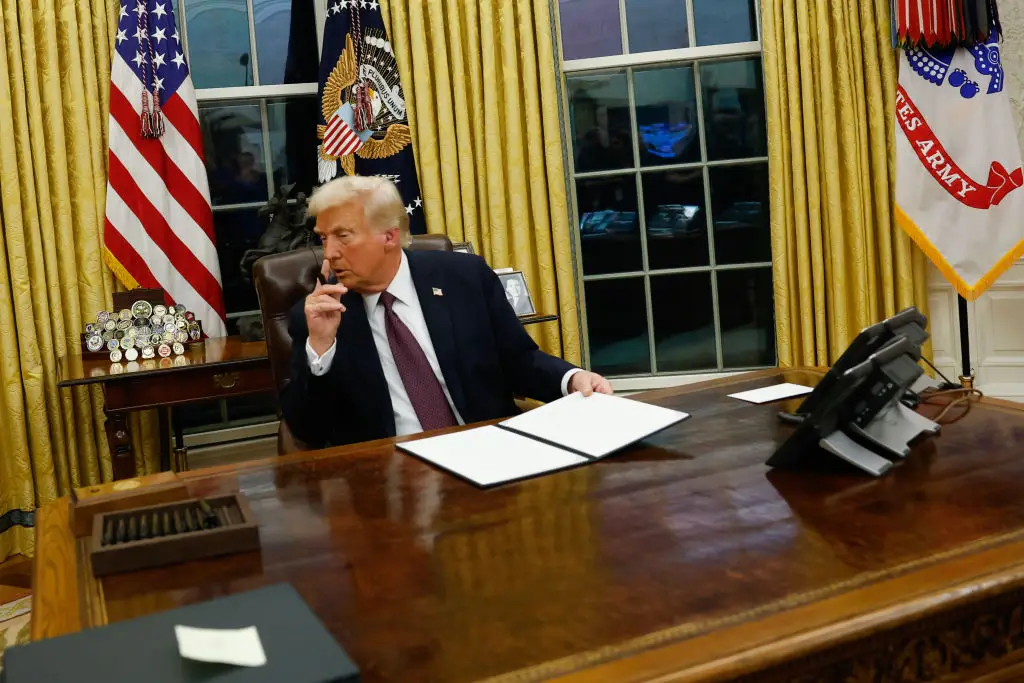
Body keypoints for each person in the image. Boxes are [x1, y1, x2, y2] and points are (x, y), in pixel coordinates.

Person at [281, 176, 612, 448]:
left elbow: (518, 361)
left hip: (489, 450)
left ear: (389, 236)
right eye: (324, 238)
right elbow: (308, 431)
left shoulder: (464, 278)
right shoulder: (318, 317)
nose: (329, 253)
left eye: (343, 236)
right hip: (389, 475)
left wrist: (571, 379)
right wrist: (320, 349)